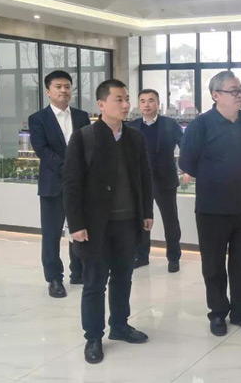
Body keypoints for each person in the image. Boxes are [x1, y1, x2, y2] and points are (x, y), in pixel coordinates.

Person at [63, 79, 154, 364]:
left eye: (127, 99)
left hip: (128, 222)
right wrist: (76, 224)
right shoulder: (84, 137)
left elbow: (144, 177)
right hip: (95, 226)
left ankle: (120, 325)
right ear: (102, 104)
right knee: (94, 282)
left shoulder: (135, 137)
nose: (126, 105)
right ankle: (93, 336)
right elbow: (71, 183)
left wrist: (146, 212)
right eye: (119, 99)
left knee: (123, 277)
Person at [179, 71, 241, 337]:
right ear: (216, 95)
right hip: (212, 209)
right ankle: (217, 313)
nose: (240, 95)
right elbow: (187, 163)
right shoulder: (201, 125)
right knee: (213, 265)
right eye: (233, 90)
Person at [28, 70, 90, 298]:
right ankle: (54, 278)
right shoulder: (38, 119)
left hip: (81, 184)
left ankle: (79, 271)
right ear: (48, 91)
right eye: (58, 86)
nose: (63, 90)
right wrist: (68, 170)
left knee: (80, 228)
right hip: (53, 184)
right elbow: (42, 150)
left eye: (67, 86)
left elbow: (89, 147)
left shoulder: (82, 117)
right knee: (51, 234)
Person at [128, 89, 188, 273]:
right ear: (139, 104)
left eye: (151, 100)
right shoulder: (131, 126)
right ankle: (142, 255)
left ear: (158, 103)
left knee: (170, 220)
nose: (146, 104)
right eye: (143, 101)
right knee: (141, 219)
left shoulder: (170, 124)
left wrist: (187, 168)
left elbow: (185, 146)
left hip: (165, 179)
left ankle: (173, 257)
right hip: (139, 181)